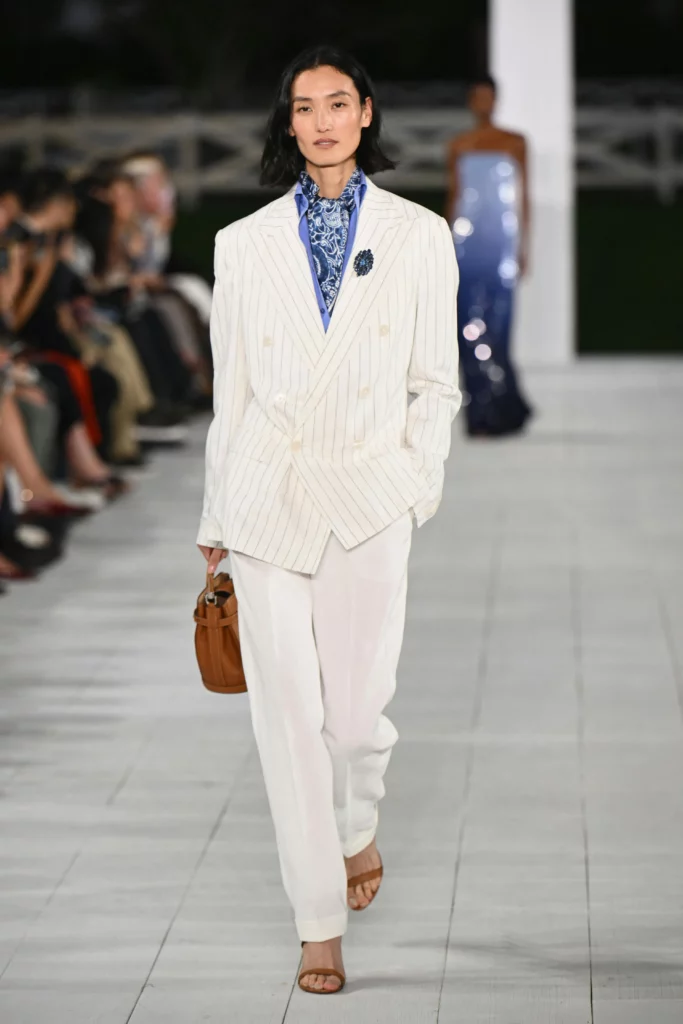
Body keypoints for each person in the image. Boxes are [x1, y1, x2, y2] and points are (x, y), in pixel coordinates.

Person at [197, 45, 460, 995]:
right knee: (288, 724)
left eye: (337, 103)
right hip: (267, 498)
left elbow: (436, 380)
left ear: (366, 113)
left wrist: (414, 484)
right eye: (304, 107)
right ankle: (318, 924)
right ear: (289, 121)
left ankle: (356, 826)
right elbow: (231, 392)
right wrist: (217, 513)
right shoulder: (241, 243)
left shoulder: (419, 234)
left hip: (367, 497)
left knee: (352, 723)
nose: (320, 121)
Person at [445, 74, 533, 437]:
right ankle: (480, 415)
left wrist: (524, 246)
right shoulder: (459, 145)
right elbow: (455, 197)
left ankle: (507, 407)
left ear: (495, 100)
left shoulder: (514, 143)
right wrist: (446, 247)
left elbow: (523, 197)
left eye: (487, 97)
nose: (483, 104)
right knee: (468, 327)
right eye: (477, 97)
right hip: (466, 245)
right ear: (471, 102)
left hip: (500, 245)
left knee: (498, 326)